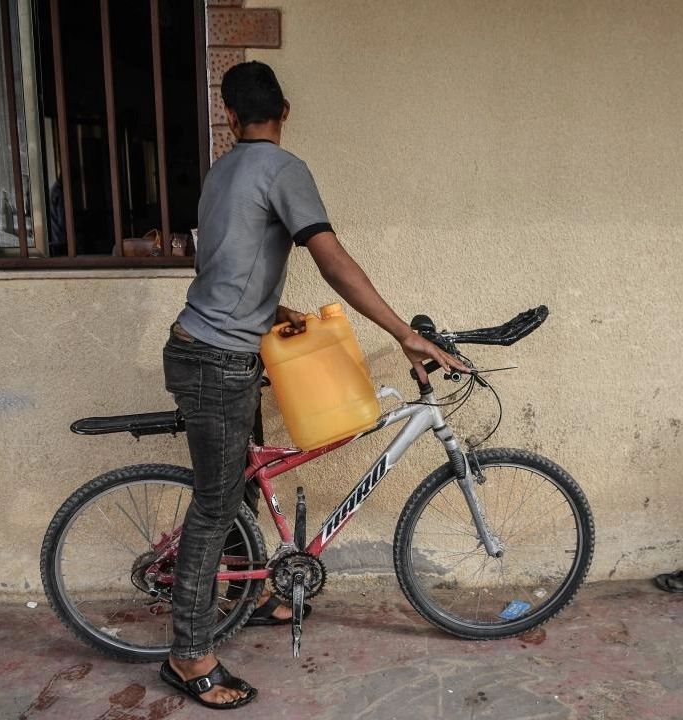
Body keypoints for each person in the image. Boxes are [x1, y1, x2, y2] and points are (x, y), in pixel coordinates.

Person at [160, 61, 466, 710]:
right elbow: (331, 259)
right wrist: (403, 332)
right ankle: (189, 656)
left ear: (230, 117)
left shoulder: (221, 174)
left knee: (240, 489)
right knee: (214, 511)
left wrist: (270, 312)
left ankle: (264, 592)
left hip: (212, 351)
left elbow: (224, 267)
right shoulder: (282, 169)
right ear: (285, 112)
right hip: (218, 362)